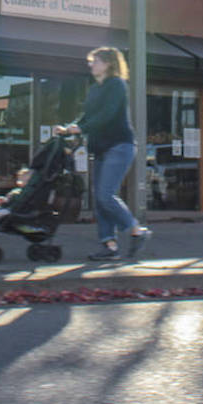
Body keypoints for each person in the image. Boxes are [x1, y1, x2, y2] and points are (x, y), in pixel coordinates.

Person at [56, 46, 151, 260]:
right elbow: (87, 116)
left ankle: (136, 230)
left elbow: (107, 114)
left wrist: (81, 129)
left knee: (105, 195)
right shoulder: (95, 89)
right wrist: (69, 127)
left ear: (108, 63)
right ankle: (109, 246)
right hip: (100, 148)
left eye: (95, 61)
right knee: (100, 201)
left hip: (119, 145)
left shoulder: (116, 85)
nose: (91, 65)